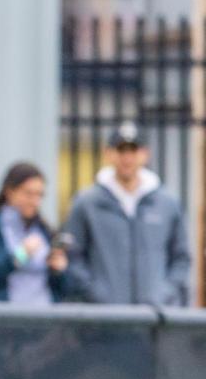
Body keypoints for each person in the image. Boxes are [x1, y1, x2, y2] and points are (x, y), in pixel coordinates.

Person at [63, 122, 190, 306]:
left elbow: (181, 257)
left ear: (145, 154)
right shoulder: (87, 202)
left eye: (133, 150)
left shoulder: (167, 203)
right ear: (108, 153)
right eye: (121, 150)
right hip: (105, 319)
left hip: (153, 318)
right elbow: (73, 256)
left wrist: (163, 294)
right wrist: (95, 293)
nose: (127, 157)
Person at [0, 162, 69, 304]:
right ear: (9, 192)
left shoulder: (45, 231)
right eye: (28, 194)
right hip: (3, 319)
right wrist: (19, 256)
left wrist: (59, 270)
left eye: (39, 195)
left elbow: (63, 289)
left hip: (44, 317)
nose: (35, 202)